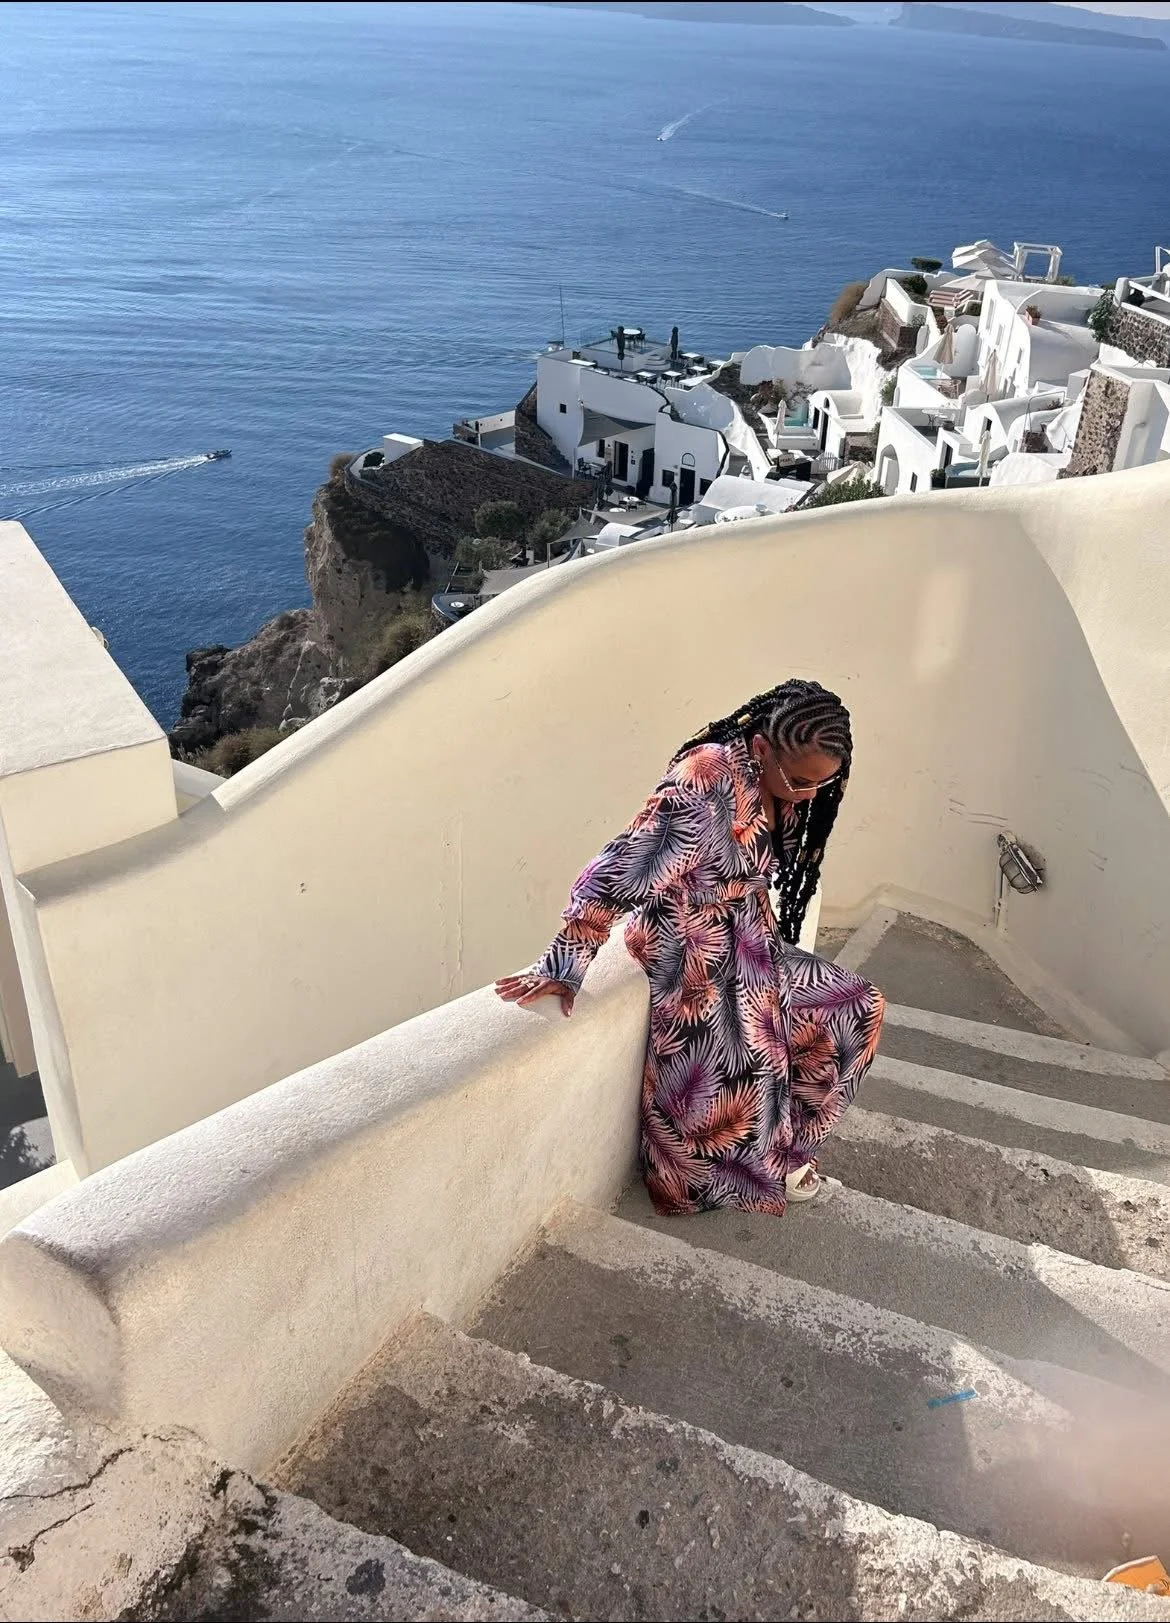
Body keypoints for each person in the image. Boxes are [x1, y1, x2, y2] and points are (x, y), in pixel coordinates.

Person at [496, 679, 884, 1216]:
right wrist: (568, 957)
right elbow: (626, 861)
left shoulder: (779, 785)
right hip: (689, 944)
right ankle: (707, 1180)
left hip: (749, 939)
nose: (809, 795)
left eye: (823, 783)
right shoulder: (708, 777)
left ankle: (789, 1149)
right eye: (799, 781)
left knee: (858, 1008)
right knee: (750, 1056)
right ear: (762, 748)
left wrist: (793, 793)